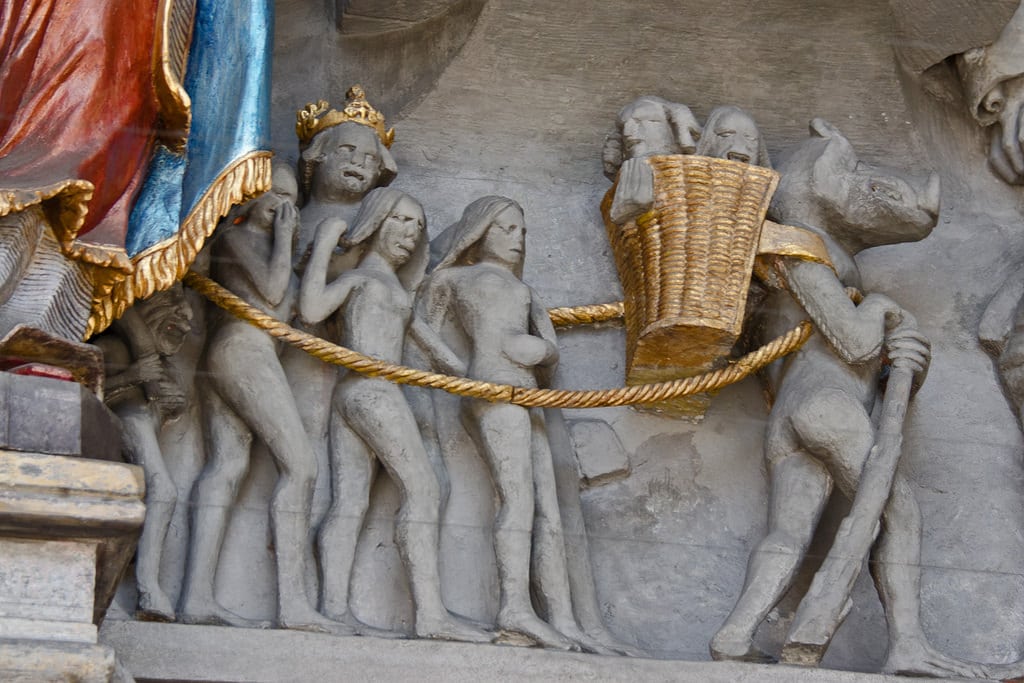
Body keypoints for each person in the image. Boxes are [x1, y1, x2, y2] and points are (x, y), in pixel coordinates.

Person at [419, 196, 612, 652]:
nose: (517, 239)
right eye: (506, 228)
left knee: (548, 504)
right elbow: (418, 327)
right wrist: (461, 369)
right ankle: (514, 609)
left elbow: (549, 345)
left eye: (522, 232)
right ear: (479, 230)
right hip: (491, 390)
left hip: (528, 393)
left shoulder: (523, 290)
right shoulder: (451, 277)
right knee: (518, 498)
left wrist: (542, 352)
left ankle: (560, 617)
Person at [300, 187, 490, 642]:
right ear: (375, 221)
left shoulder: (392, 287)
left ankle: (333, 610)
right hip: (373, 391)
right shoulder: (365, 280)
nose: (411, 233)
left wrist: (479, 378)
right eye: (401, 221)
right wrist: (326, 244)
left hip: (356, 393)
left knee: (350, 501)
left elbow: (439, 352)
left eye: (418, 226)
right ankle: (429, 616)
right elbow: (310, 311)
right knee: (424, 488)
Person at [179, 165, 343, 633]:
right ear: (249, 195)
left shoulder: (271, 250)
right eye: (275, 194)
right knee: (302, 467)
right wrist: (289, 241)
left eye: (292, 198)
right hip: (243, 351)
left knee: (228, 466)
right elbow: (272, 294)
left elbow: (300, 313)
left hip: (245, 353)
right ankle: (293, 603)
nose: (283, 205)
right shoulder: (238, 238)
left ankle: (196, 597)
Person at [95, 284, 193, 622]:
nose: (188, 318)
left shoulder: (160, 363)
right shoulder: (113, 347)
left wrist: (170, 402)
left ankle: (146, 583)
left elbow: (165, 405)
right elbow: (77, 388)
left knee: (159, 492)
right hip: (118, 425)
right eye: (176, 307)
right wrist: (133, 375)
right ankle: (149, 588)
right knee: (162, 490)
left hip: (137, 424)